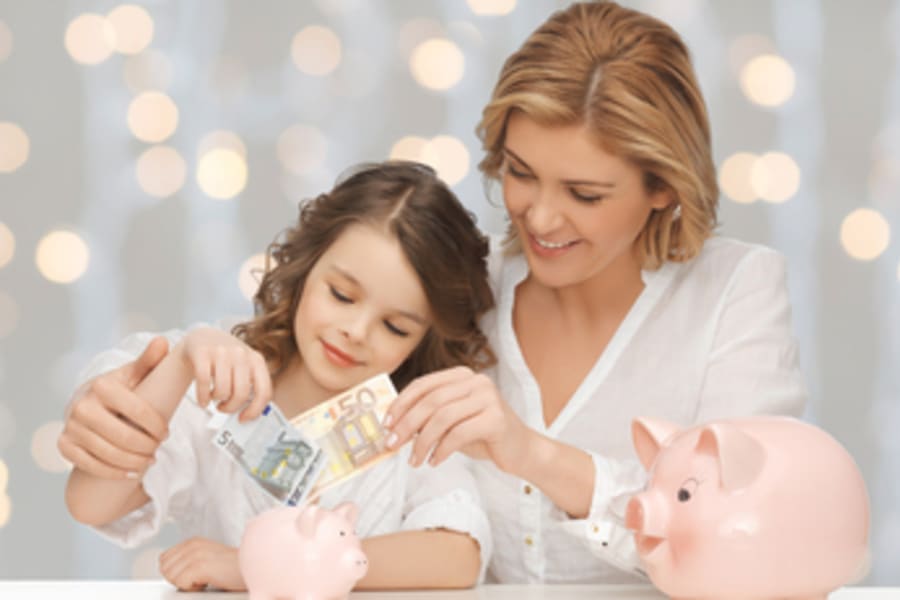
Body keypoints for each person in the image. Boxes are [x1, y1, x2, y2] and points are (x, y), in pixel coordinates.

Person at [384, 1, 808, 584]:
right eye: (520, 172)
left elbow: (748, 543)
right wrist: (246, 359)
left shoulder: (734, 294)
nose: (540, 218)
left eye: (584, 194)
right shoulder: (463, 280)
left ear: (663, 186)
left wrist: (535, 455)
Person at [58, 161, 497, 591]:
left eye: (395, 327)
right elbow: (91, 502)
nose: (356, 332)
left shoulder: (413, 423)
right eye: (342, 295)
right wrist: (182, 361)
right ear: (307, 265)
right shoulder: (214, 385)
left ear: (424, 339)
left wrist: (261, 567)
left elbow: (458, 555)